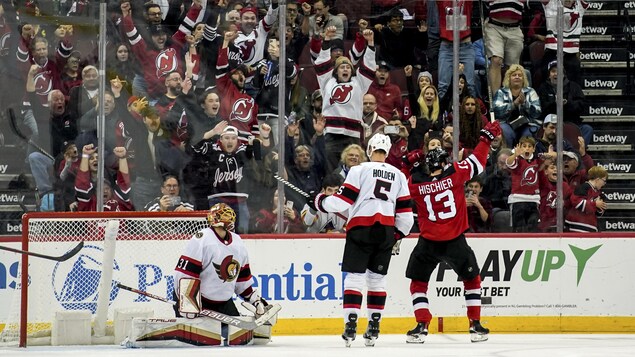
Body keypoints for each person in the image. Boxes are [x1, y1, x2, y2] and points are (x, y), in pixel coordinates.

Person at [308, 133, 414, 347]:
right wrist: (396, 235)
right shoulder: (399, 175)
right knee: (377, 280)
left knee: (354, 278)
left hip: (361, 229)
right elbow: (406, 217)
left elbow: (342, 201)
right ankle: (374, 328)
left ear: (370, 149)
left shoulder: (358, 170)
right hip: (385, 231)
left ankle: (350, 326)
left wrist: (320, 201)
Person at [405, 121, 502, 344]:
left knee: (418, 284)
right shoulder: (455, 173)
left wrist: (406, 162)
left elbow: (400, 179)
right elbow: (478, 160)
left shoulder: (415, 184)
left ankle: (421, 324)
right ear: (444, 161)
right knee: (472, 280)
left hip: (427, 242)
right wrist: (486, 138)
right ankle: (475, 325)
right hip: (455, 241)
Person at [173, 203, 271, 317]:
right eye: (224, 215)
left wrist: (255, 300)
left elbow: (242, 279)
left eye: (229, 215)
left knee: (238, 333)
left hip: (223, 303)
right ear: (214, 218)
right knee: (197, 334)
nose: (228, 218)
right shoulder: (202, 239)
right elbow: (184, 275)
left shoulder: (238, 242)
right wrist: (187, 303)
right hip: (199, 301)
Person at [493, 64, 541, 148]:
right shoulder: (501, 92)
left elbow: (537, 112)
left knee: (528, 134)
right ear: (509, 78)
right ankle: (508, 156)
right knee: (506, 132)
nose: (517, 77)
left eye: (520, 75)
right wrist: (514, 104)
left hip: (526, 124)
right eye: (514, 75)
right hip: (505, 123)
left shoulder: (531, 91)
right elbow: (497, 111)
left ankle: (525, 158)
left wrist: (525, 103)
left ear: (523, 79)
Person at [506, 136, 541, 232]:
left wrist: (552, 154)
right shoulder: (517, 159)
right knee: (519, 229)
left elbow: (549, 158)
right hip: (518, 200)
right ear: (520, 147)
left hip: (534, 200)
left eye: (530, 146)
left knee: (533, 226)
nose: (527, 148)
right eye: (524, 146)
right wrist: (514, 155)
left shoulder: (537, 159)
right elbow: (509, 163)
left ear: (533, 149)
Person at [566, 166, 608, 232]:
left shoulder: (598, 193)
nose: (604, 184)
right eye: (604, 181)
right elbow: (576, 201)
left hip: (589, 226)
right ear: (597, 179)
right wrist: (595, 204)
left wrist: (600, 207)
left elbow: (597, 213)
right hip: (577, 225)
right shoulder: (584, 188)